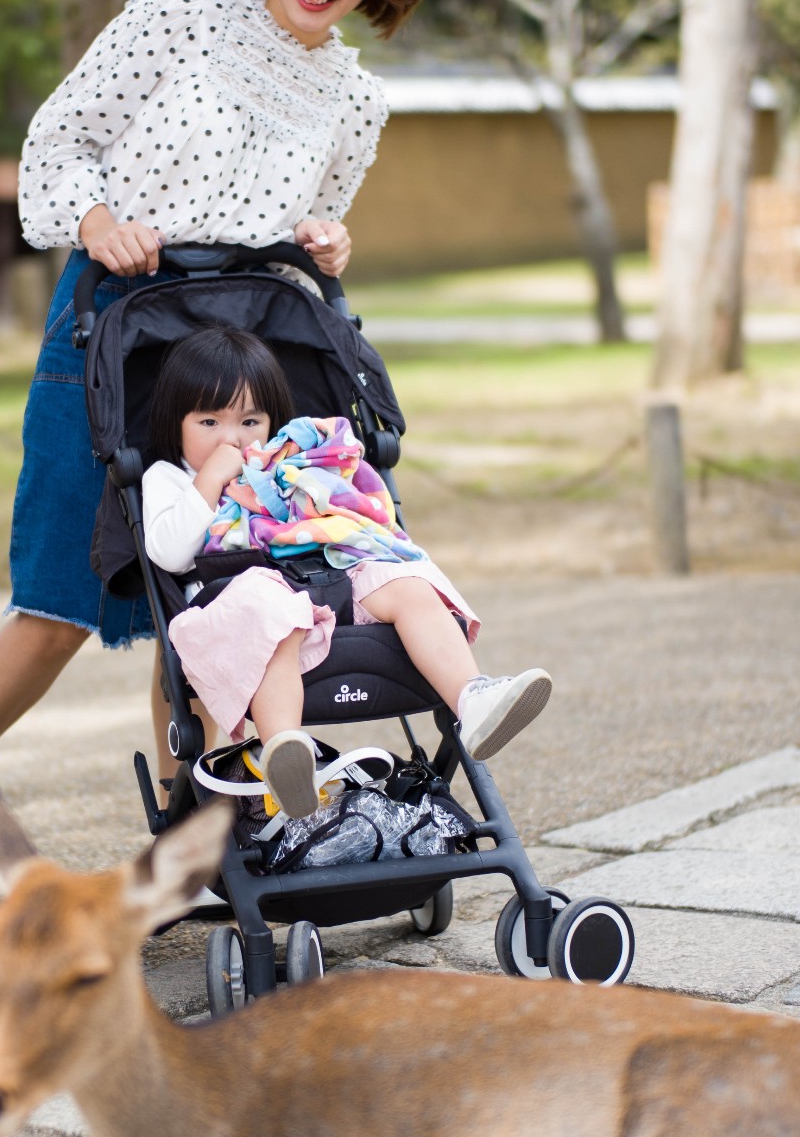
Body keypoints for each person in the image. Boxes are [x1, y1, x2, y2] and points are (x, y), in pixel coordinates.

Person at [0, 0, 425, 919]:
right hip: (112, 319)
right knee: (58, 600)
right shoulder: (179, 13)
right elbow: (64, 139)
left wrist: (328, 243)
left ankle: (190, 848)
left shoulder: (353, 97)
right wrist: (98, 219)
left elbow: (311, 223)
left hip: (242, 355)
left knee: (210, 592)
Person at [141, 326, 551, 819]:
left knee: (405, 582)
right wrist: (210, 480)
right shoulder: (168, 478)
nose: (232, 438)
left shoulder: (286, 463)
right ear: (175, 423)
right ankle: (285, 753)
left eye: (250, 420)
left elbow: (345, 514)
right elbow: (168, 552)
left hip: (328, 582)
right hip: (243, 600)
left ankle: (474, 699)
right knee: (271, 613)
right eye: (209, 421)